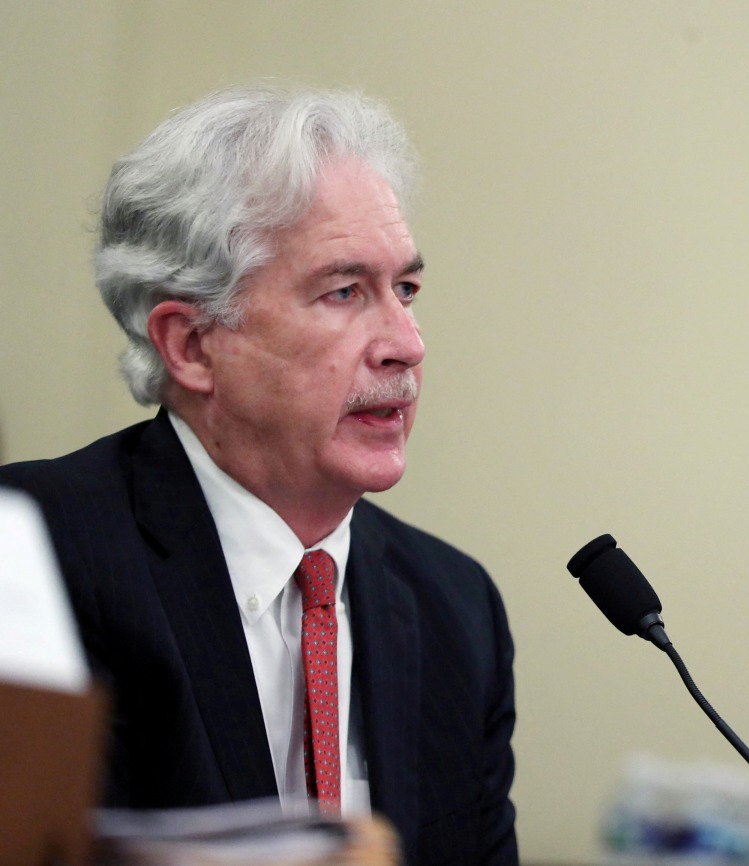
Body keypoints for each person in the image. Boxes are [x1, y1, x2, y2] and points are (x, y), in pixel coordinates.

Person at [0, 85, 517, 866]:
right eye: (344, 291)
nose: (406, 344)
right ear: (193, 345)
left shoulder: (455, 606)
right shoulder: (33, 553)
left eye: (404, 289)